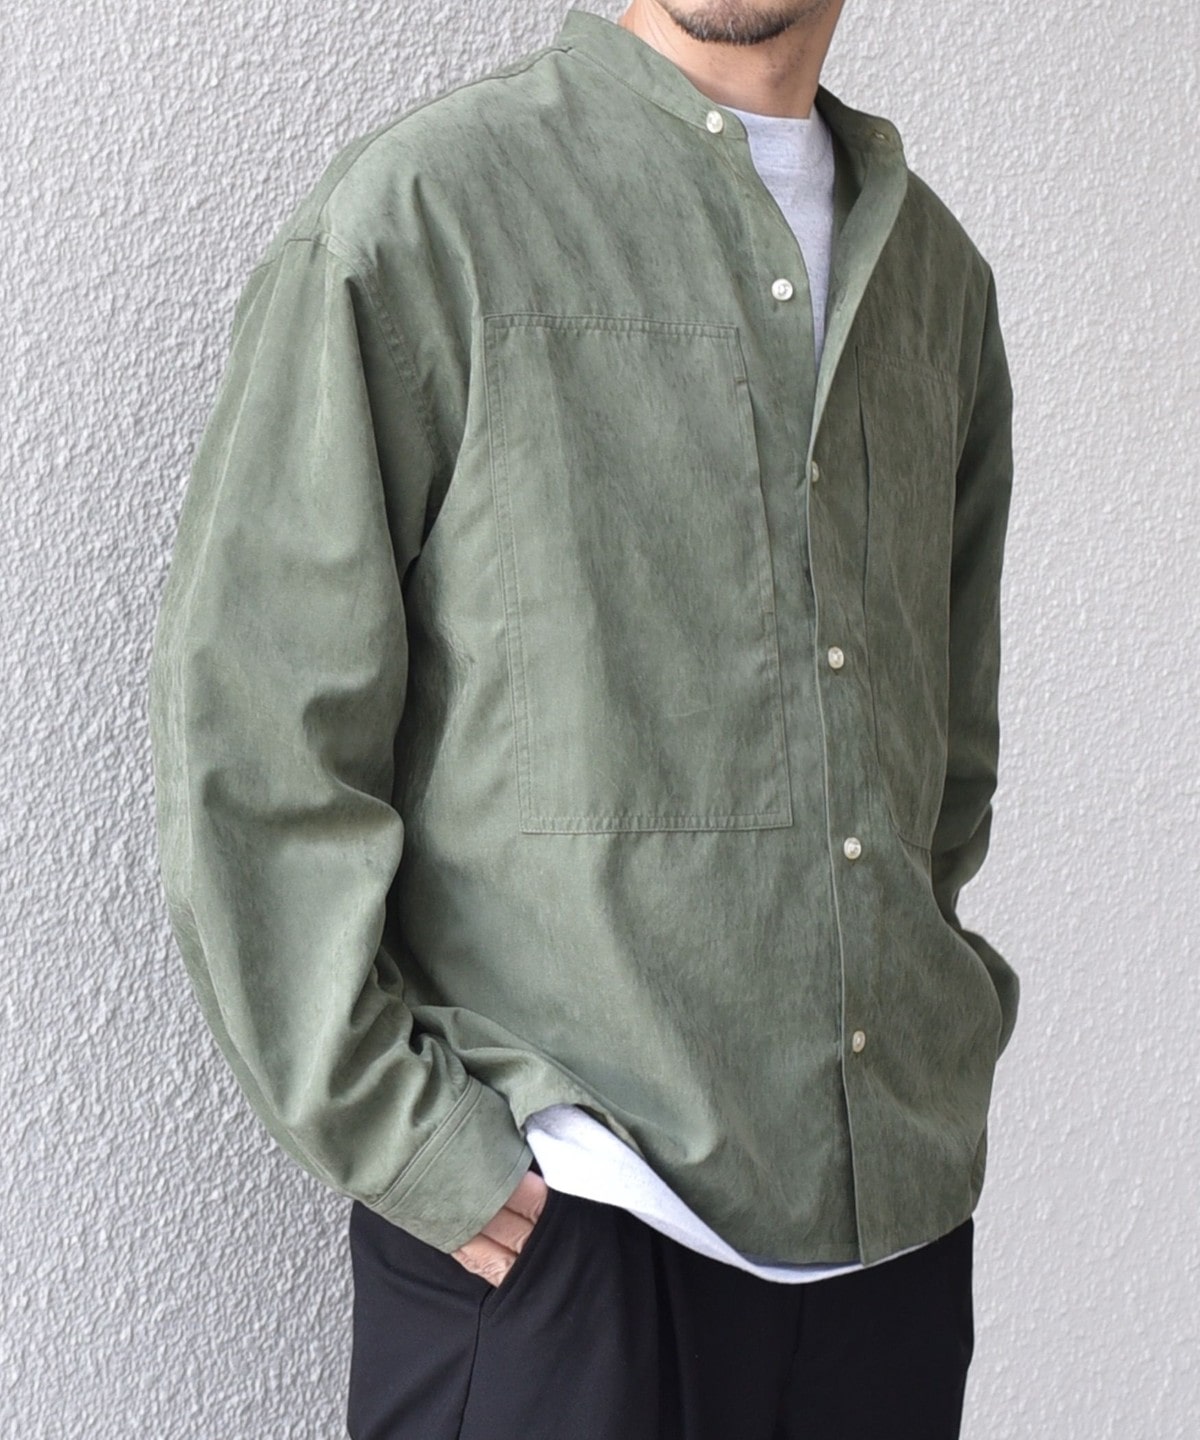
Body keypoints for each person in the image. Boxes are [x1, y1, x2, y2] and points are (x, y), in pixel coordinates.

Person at [147, 2, 1018, 1435]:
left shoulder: (937, 279)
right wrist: (419, 1143)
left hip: (891, 1247)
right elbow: (254, 742)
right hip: (572, 1235)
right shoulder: (426, 217)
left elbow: (945, 746)